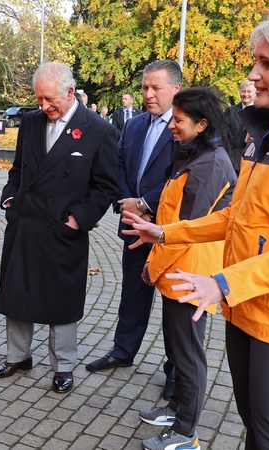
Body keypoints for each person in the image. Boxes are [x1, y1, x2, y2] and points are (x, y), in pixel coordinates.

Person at [122, 9, 269, 449]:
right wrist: (166, 234)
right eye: (256, 61)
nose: (253, 74)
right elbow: (237, 217)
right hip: (246, 306)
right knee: (255, 428)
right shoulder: (267, 133)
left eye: (268, 64)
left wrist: (222, 282)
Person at [0, 62, 119, 394]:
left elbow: (105, 187)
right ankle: (18, 356)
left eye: (49, 99)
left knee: (62, 301)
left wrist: (78, 219)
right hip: (26, 224)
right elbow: (18, 170)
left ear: (70, 92)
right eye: (39, 99)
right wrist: (9, 199)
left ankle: (63, 367)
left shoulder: (97, 129)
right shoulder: (31, 123)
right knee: (18, 292)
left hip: (63, 230)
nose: (44, 106)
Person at [136, 87, 236, 450]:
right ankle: (177, 408)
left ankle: (185, 432)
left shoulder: (211, 163)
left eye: (178, 121)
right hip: (177, 270)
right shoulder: (197, 154)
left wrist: (152, 264)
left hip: (190, 274)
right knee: (178, 350)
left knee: (189, 355)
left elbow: (188, 230)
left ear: (202, 124)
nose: (171, 127)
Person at [85, 59, 182, 402]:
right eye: (144, 87)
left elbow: (182, 176)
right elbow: (120, 165)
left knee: (173, 304)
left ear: (176, 89)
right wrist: (127, 203)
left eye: (156, 87)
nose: (149, 94)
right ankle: (123, 351)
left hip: (169, 229)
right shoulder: (135, 125)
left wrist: (144, 202)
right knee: (132, 292)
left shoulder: (185, 128)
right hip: (133, 225)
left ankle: (176, 370)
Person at [225, 80, 256, 174]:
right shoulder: (230, 110)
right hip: (231, 161)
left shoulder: (261, 113)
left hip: (251, 161)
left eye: (249, 91)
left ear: (255, 93)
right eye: (243, 91)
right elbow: (222, 133)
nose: (245, 94)